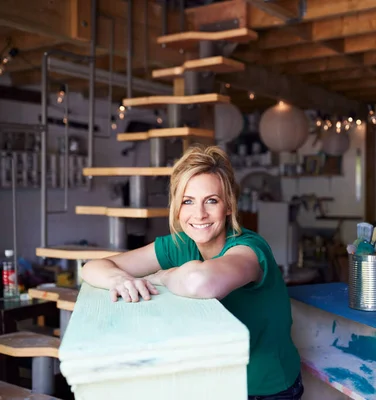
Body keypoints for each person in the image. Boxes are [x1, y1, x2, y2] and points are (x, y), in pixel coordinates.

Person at [81, 145, 303, 400]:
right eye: (188, 201)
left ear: (229, 206)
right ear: (177, 207)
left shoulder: (249, 249)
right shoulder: (181, 243)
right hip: (212, 381)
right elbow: (92, 267)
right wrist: (119, 278)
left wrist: (162, 276)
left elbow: (200, 282)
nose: (199, 214)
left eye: (211, 200)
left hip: (266, 388)